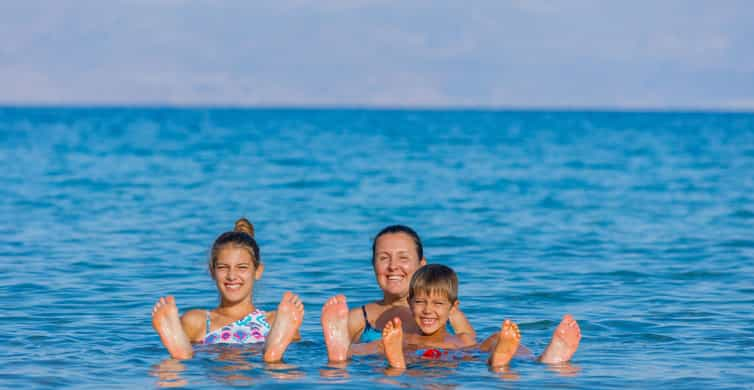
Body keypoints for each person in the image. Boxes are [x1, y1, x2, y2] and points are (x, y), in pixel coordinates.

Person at [323, 264, 581, 369]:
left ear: (452, 308)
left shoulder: (461, 339)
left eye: (437, 304)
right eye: (421, 302)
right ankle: (341, 351)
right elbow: (365, 349)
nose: (427, 310)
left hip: (451, 356)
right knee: (384, 345)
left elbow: (471, 340)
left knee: (494, 340)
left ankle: (540, 357)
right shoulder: (403, 337)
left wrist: (494, 345)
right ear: (410, 303)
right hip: (419, 355)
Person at [151, 218, 304, 362]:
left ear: (258, 271)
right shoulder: (197, 322)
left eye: (242, 268)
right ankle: (182, 353)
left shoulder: (276, 321)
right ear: (212, 271)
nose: (231, 276)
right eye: (223, 267)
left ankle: (273, 354)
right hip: (254, 366)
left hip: (225, 363)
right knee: (174, 364)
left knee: (278, 363)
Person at [345, 225, 476, 346]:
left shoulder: (450, 315)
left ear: (422, 264)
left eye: (403, 258)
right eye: (384, 258)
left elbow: (473, 353)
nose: (393, 266)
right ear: (373, 265)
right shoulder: (358, 319)